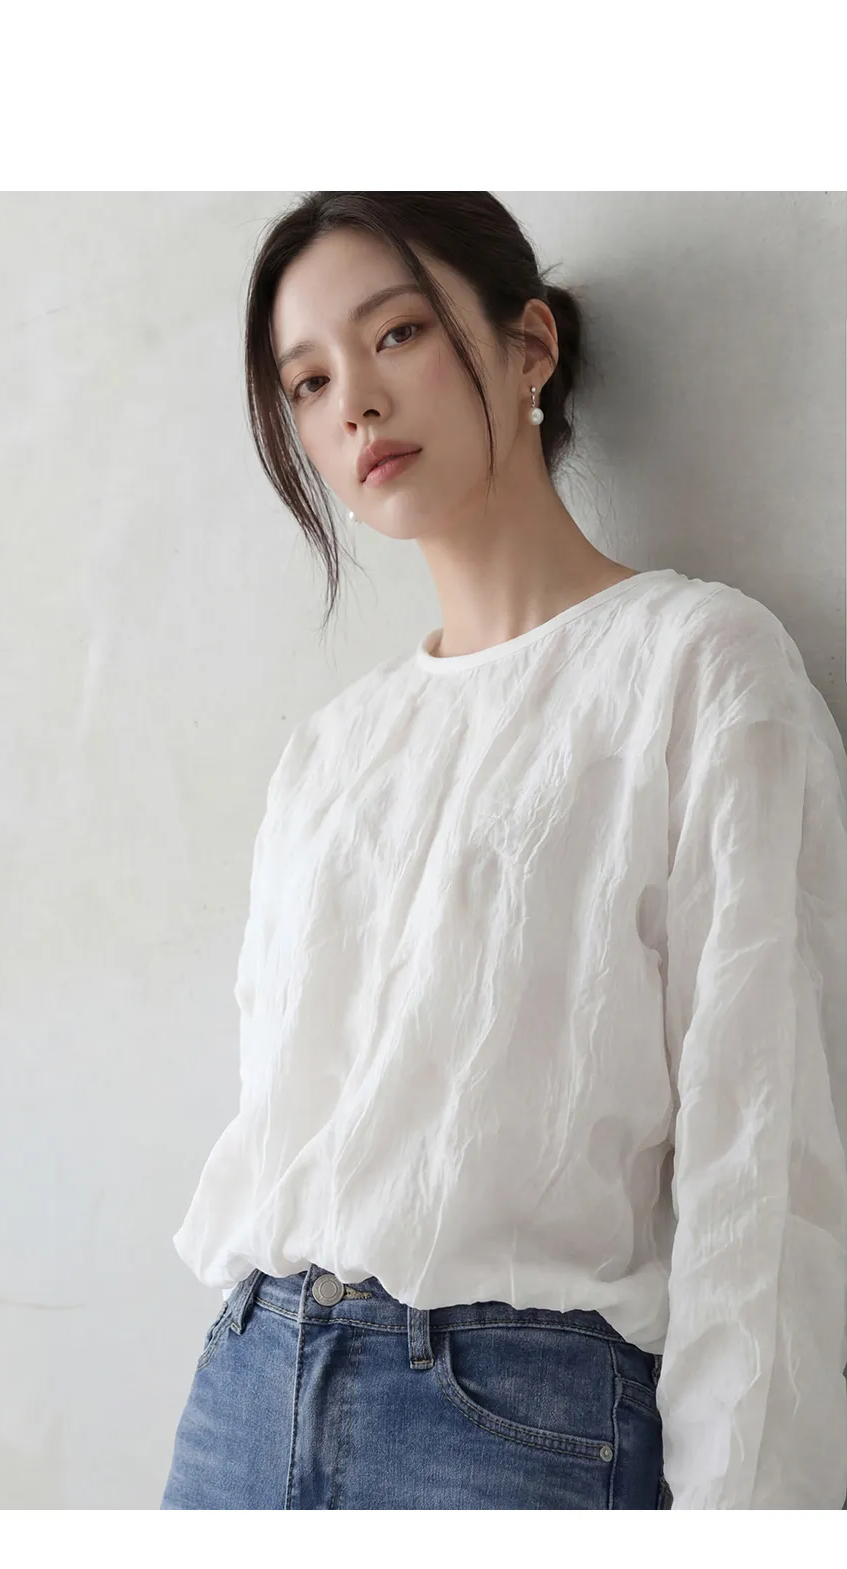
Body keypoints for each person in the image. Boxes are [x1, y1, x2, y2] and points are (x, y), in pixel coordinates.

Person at [160, 192, 847, 1510]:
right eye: (308, 382)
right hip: (244, 1397)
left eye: (397, 333)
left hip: (510, 1426)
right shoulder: (332, 752)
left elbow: (764, 1178)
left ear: (529, 345)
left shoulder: (697, 669)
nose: (355, 403)